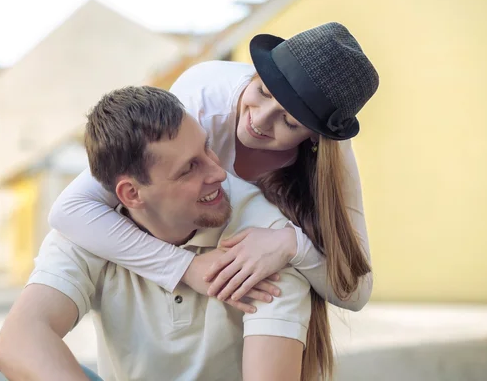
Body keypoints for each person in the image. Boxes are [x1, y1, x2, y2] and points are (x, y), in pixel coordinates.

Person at [48, 22, 378, 321]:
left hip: (268, 306)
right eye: (263, 91)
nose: (259, 120)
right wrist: (186, 268)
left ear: (315, 137)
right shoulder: (201, 103)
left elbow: (356, 291)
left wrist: (291, 244)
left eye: (290, 122)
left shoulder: (330, 162)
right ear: (254, 75)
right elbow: (71, 210)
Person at [0, 86, 315, 380]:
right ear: (132, 195)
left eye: (207, 148)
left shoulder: (261, 244)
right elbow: (17, 342)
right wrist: (184, 268)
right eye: (189, 168)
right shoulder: (88, 232)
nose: (218, 172)